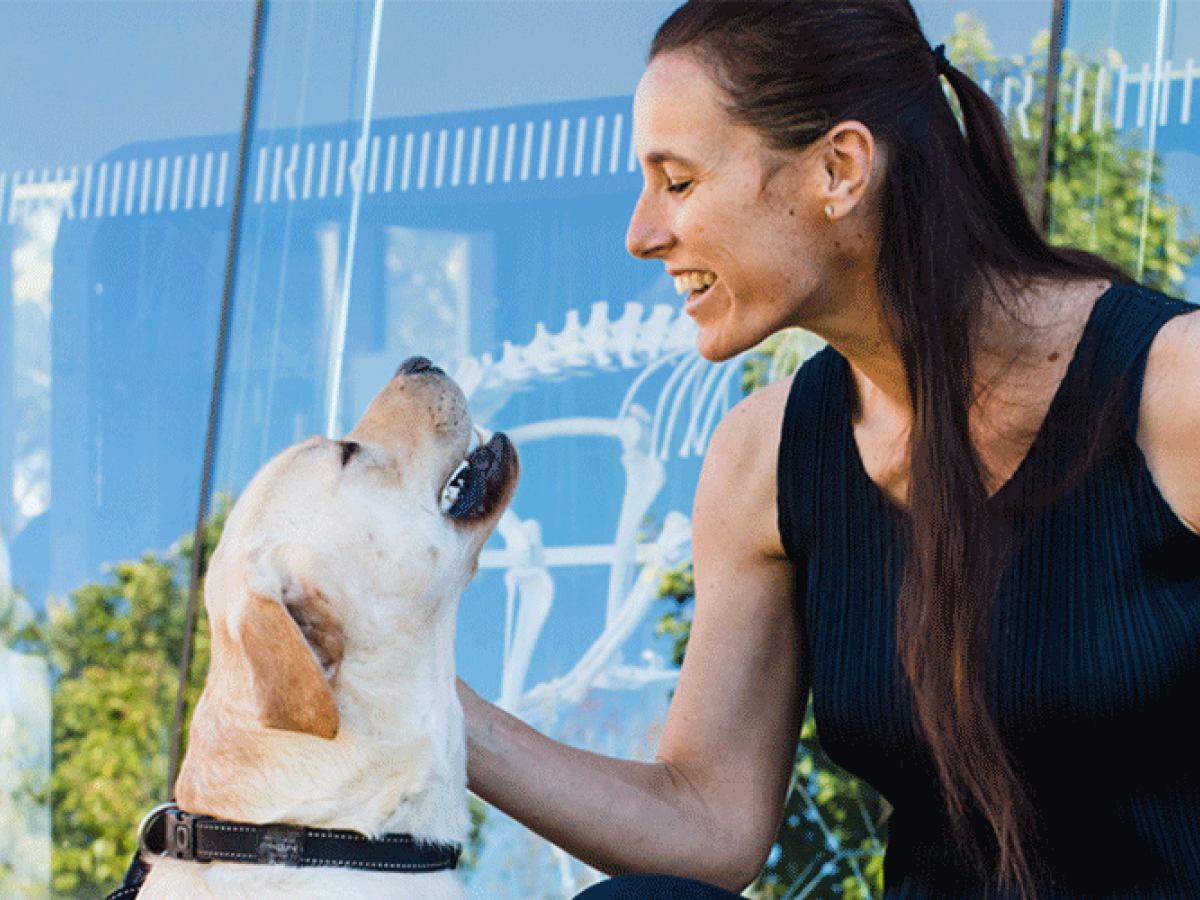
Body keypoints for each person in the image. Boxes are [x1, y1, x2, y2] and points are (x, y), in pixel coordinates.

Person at [457, 1, 1200, 898]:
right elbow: (709, 823)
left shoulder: (1174, 390)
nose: (641, 234)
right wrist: (431, 709)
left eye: (678, 182)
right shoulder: (762, 457)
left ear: (839, 168)